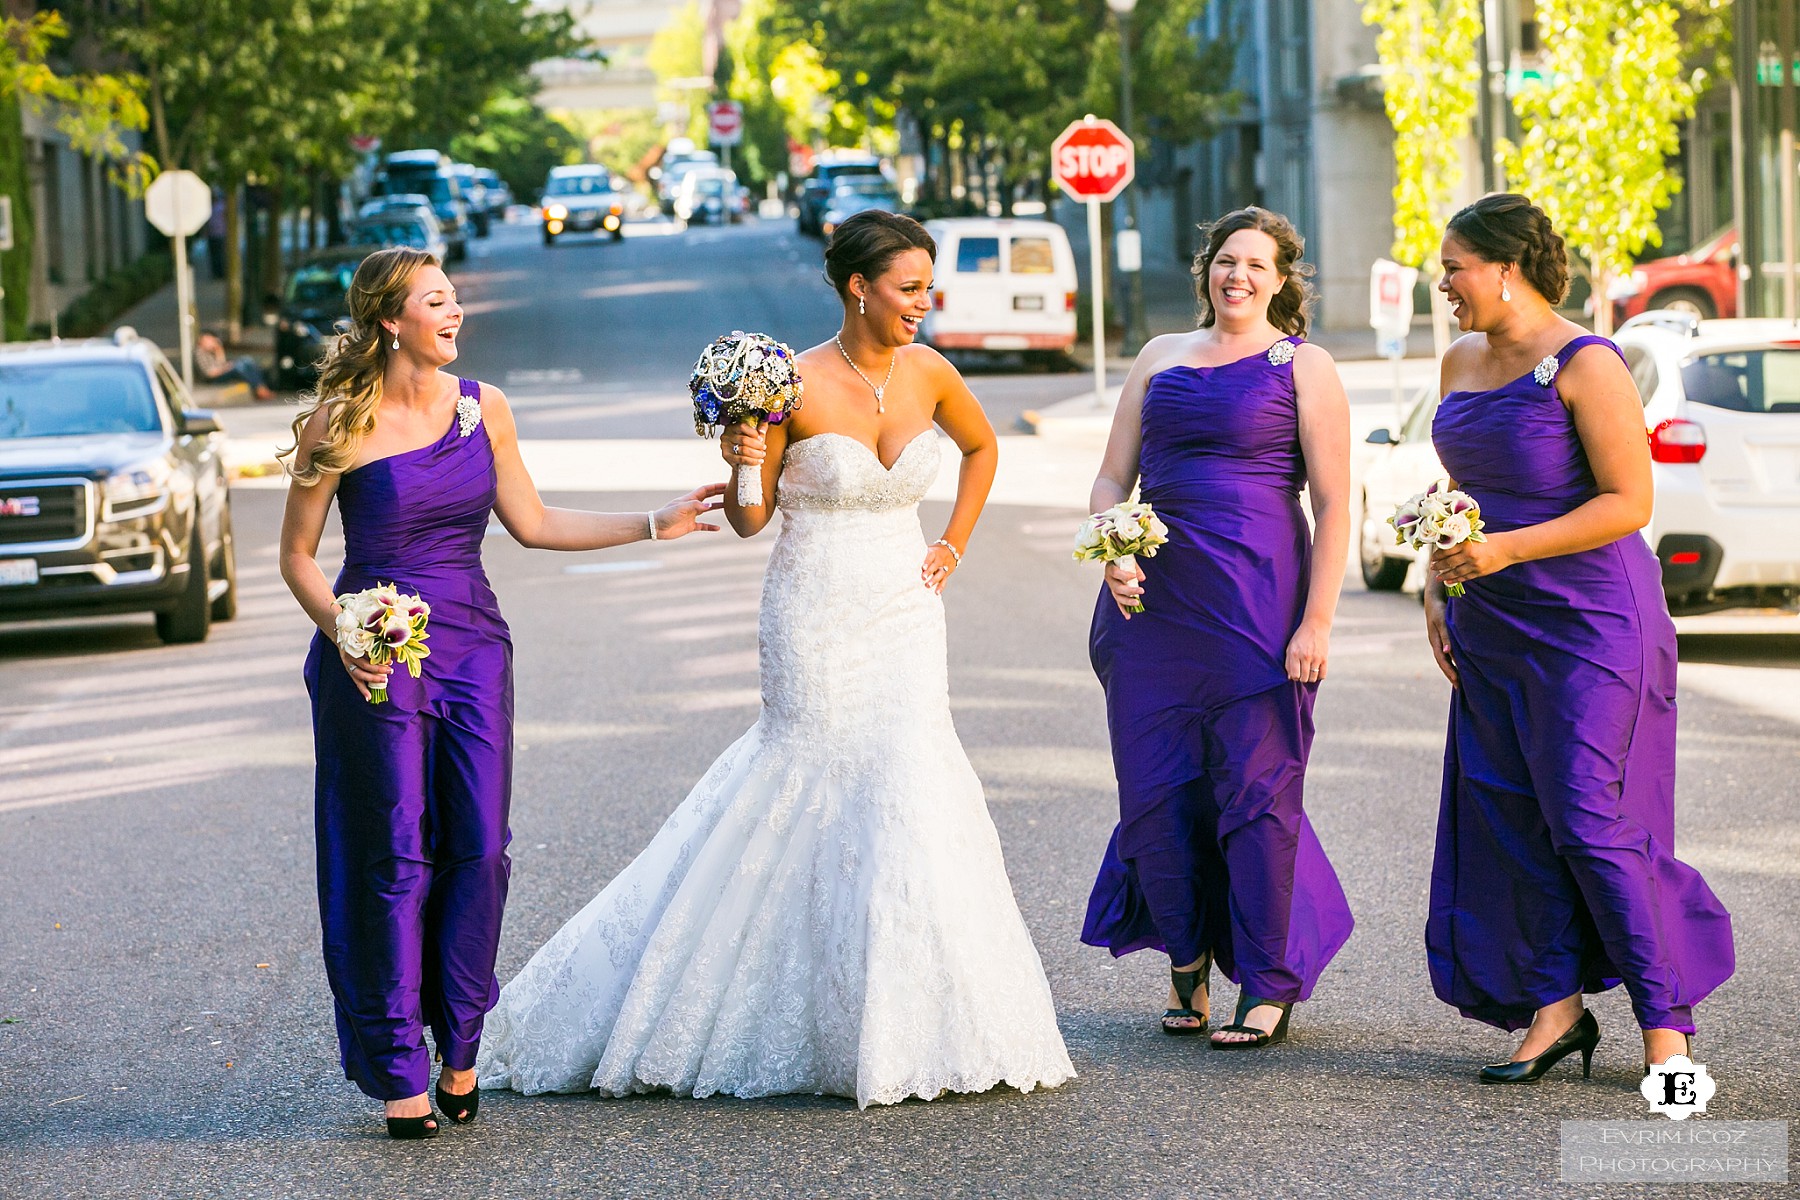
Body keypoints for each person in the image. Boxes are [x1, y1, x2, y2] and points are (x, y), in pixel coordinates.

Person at [476, 211, 1075, 1108]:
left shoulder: (933, 372)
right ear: (858, 288)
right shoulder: (789, 381)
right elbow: (753, 518)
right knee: (807, 776)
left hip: (907, 608)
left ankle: (911, 1023)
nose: (924, 302)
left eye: (927, 286)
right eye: (910, 287)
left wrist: (952, 542)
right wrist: (746, 456)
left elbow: (984, 449)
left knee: (912, 784)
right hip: (815, 608)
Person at [278, 246, 723, 1139]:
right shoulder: (334, 423)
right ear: (388, 321)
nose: (455, 315)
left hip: (474, 649)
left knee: (479, 847)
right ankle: (402, 1067)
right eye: (436, 302)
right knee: (394, 855)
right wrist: (345, 631)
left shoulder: (487, 410)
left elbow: (533, 522)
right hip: (376, 656)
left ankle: (461, 1050)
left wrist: (651, 523)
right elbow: (296, 555)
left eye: (455, 301)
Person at [1424, 193, 1735, 1083]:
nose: (1444, 284)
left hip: (1593, 621)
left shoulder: (1586, 361)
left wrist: (1505, 550)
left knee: (1594, 818)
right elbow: (1456, 495)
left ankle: (1665, 1029)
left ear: (1506, 269)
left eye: (1454, 267)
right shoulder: (1458, 363)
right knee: (1511, 816)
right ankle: (1554, 1010)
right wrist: (1436, 590)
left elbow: (1630, 504)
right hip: (1489, 623)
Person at [1079, 206, 1355, 1051]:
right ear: (1207, 270)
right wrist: (1112, 554)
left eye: (1256, 265)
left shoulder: (1303, 365)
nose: (1237, 276)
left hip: (1258, 607)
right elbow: (1108, 478)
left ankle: (1268, 982)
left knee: (1256, 792)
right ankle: (1187, 961)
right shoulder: (1161, 356)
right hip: (1151, 612)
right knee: (1158, 791)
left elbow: (1338, 502)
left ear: (1281, 280)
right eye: (1225, 260)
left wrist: (1316, 623)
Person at [196, 331, 275, 401]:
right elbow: (209, 373)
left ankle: (261, 387)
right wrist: (225, 368)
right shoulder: (200, 353)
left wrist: (218, 350)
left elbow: (221, 363)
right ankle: (260, 389)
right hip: (213, 379)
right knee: (239, 367)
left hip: (221, 371)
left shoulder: (211, 352)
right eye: (209, 340)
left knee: (246, 360)